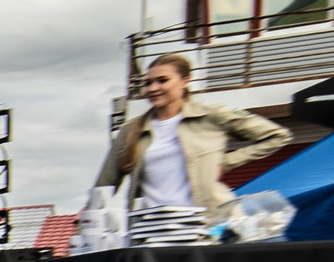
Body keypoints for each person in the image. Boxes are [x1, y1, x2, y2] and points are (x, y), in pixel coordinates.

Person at [94, 53, 290, 220]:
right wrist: (86, 228)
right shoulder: (130, 130)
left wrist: (226, 161)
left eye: (162, 80)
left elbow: (277, 136)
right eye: (148, 83)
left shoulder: (212, 116)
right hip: (150, 231)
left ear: (185, 81)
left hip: (208, 227)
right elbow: (104, 185)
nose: (152, 88)